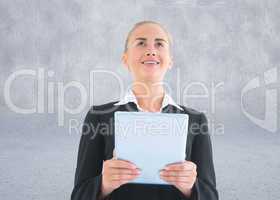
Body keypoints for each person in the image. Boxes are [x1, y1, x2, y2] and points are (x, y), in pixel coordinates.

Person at [71, 20, 219, 200]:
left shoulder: (196, 120)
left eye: (159, 43)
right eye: (141, 43)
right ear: (125, 59)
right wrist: (103, 185)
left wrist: (190, 187)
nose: (151, 50)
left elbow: (211, 195)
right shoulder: (98, 117)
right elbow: (79, 195)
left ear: (170, 61)